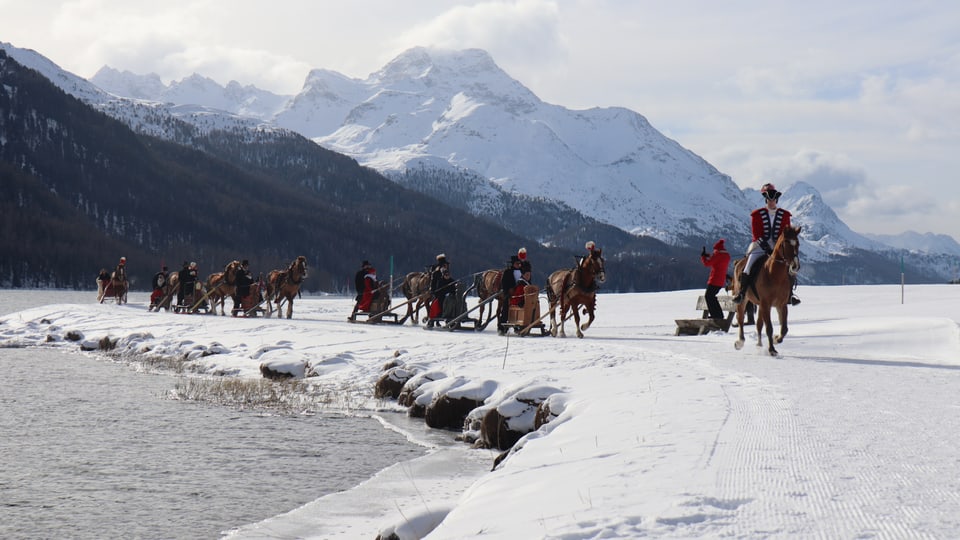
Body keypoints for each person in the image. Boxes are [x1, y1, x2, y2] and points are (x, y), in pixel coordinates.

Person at [732, 183, 801, 305]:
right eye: (769, 199)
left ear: (776, 199)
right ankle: (742, 293)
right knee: (748, 267)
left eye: (773, 199)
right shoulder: (757, 214)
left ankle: (790, 295)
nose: (771, 201)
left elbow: (785, 233)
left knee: (789, 268)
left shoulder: (785, 215)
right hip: (760, 246)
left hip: (778, 247)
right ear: (766, 199)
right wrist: (765, 247)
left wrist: (777, 248)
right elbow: (756, 234)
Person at [700, 239, 731, 320]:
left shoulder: (717, 254)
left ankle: (716, 315)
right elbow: (717, 260)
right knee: (711, 296)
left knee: (708, 296)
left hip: (714, 279)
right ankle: (718, 314)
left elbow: (707, 264)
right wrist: (710, 256)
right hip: (721, 281)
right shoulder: (726, 256)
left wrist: (703, 257)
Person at [498, 254, 523, 335]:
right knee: (505, 309)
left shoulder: (522, 271)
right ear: (513, 264)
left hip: (520, 293)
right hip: (509, 294)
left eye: (519, 263)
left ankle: (519, 324)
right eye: (517, 263)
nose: (518, 265)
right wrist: (508, 291)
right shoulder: (508, 272)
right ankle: (501, 327)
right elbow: (504, 283)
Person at [428, 254, 454, 326]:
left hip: (445, 291)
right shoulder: (437, 272)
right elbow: (434, 282)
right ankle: (436, 319)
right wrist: (434, 290)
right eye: (445, 264)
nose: (446, 266)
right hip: (439, 291)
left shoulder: (444, 271)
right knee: (438, 303)